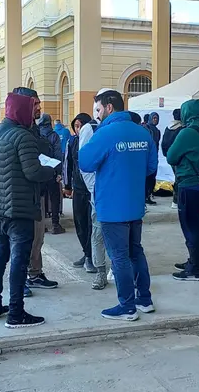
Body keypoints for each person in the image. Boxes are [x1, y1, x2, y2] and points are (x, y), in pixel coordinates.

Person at [80, 90, 158, 321]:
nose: (97, 114)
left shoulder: (105, 134)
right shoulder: (142, 132)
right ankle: (144, 299)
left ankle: (127, 306)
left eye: (98, 109)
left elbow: (85, 162)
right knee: (136, 251)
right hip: (134, 203)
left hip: (112, 206)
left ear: (109, 107)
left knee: (119, 256)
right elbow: (151, 167)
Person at [0, 92, 56, 328]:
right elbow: (33, 172)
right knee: (19, 261)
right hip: (20, 208)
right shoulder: (22, 136)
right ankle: (16, 313)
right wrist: (52, 171)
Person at [11, 87, 60, 294]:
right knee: (22, 241)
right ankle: (20, 280)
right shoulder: (16, 133)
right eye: (35, 103)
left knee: (37, 237)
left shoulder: (34, 130)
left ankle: (35, 273)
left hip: (37, 192)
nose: (39, 107)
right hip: (21, 196)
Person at [166, 99, 199, 281]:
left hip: (189, 185)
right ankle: (194, 261)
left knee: (190, 226)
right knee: (196, 226)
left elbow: (171, 156)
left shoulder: (187, 133)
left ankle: (195, 269)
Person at [79, 94, 111, 290]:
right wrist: (94, 190)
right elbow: (85, 165)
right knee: (98, 233)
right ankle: (100, 271)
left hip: (117, 194)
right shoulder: (90, 129)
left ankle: (116, 268)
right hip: (99, 194)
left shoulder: (119, 130)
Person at [64, 113, 97, 274]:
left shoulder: (94, 140)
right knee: (80, 223)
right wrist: (67, 185)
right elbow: (67, 164)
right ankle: (86, 253)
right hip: (78, 188)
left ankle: (92, 256)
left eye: (80, 126)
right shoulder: (72, 141)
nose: (78, 129)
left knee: (92, 224)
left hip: (92, 189)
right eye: (75, 126)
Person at [37, 113, 65, 234]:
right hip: (52, 170)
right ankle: (55, 224)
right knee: (54, 198)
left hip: (39, 171)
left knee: (40, 198)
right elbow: (58, 154)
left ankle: (40, 225)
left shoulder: (36, 135)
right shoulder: (54, 136)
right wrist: (59, 172)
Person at [161, 108, 184, 210]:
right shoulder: (182, 129)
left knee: (177, 178)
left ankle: (176, 200)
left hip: (170, 156)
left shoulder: (168, 128)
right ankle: (176, 200)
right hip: (179, 157)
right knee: (179, 179)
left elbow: (163, 143)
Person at [143, 113, 161, 205]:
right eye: (153, 118)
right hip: (147, 157)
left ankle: (149, 195)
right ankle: (145, 196)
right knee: (147, 178)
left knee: (152, 178)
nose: (155, 120)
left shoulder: (157, 130)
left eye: (156, 118)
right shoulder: (146, 128)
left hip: (154, 157)